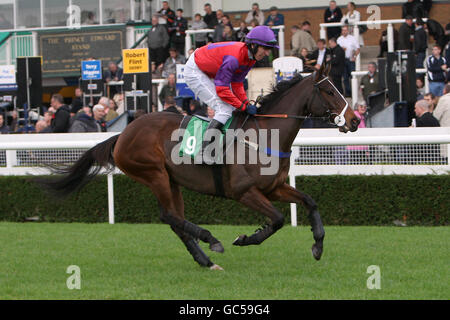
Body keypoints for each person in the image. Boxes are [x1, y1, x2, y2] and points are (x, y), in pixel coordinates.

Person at [183, 26, 279, 162]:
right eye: (265, 48)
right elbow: (222, 89)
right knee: (224, 108)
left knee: (231, 107)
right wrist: (243, 107)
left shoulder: (250, 58)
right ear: (253, 45)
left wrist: (245, 102)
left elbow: (237, 83)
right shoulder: (234, 58)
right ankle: (203, 151)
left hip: (208, 68)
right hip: (195, 70)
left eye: (269, 49)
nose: (267, 53)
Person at [337, 25, 360, 97]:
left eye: (345, 30)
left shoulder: (352, 38)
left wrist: (355, 56)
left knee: (352, 76)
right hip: (343, 60)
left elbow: (358, 49)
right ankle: (348, 92)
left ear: (348, 31)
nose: (344, 31)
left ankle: (354, 91)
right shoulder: (339, 39)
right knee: (345, 77)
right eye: (343, 30)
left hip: (350, 59)